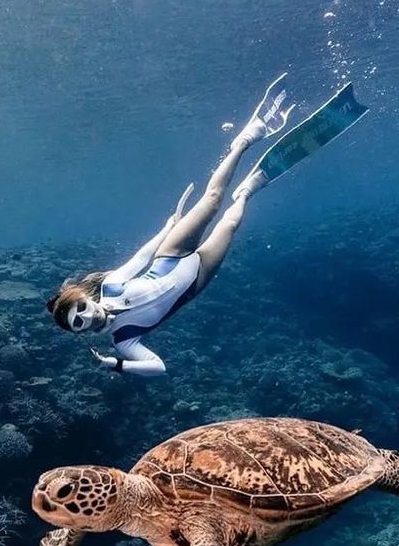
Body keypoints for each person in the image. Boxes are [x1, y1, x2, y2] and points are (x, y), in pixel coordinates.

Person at [45, 73, 367, 376]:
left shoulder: (112, 286)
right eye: (80, 323)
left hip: (169, 256)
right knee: (229, 223)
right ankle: (250, 187)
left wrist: (166, 227)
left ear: (85, 298)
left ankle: (245, 139)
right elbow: (158, 367)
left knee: (212, 199)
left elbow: (141, 259)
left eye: (81, 309)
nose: (87, 316)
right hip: (195, 280)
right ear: (81, 333)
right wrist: (116, 365)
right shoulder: (124, 341)